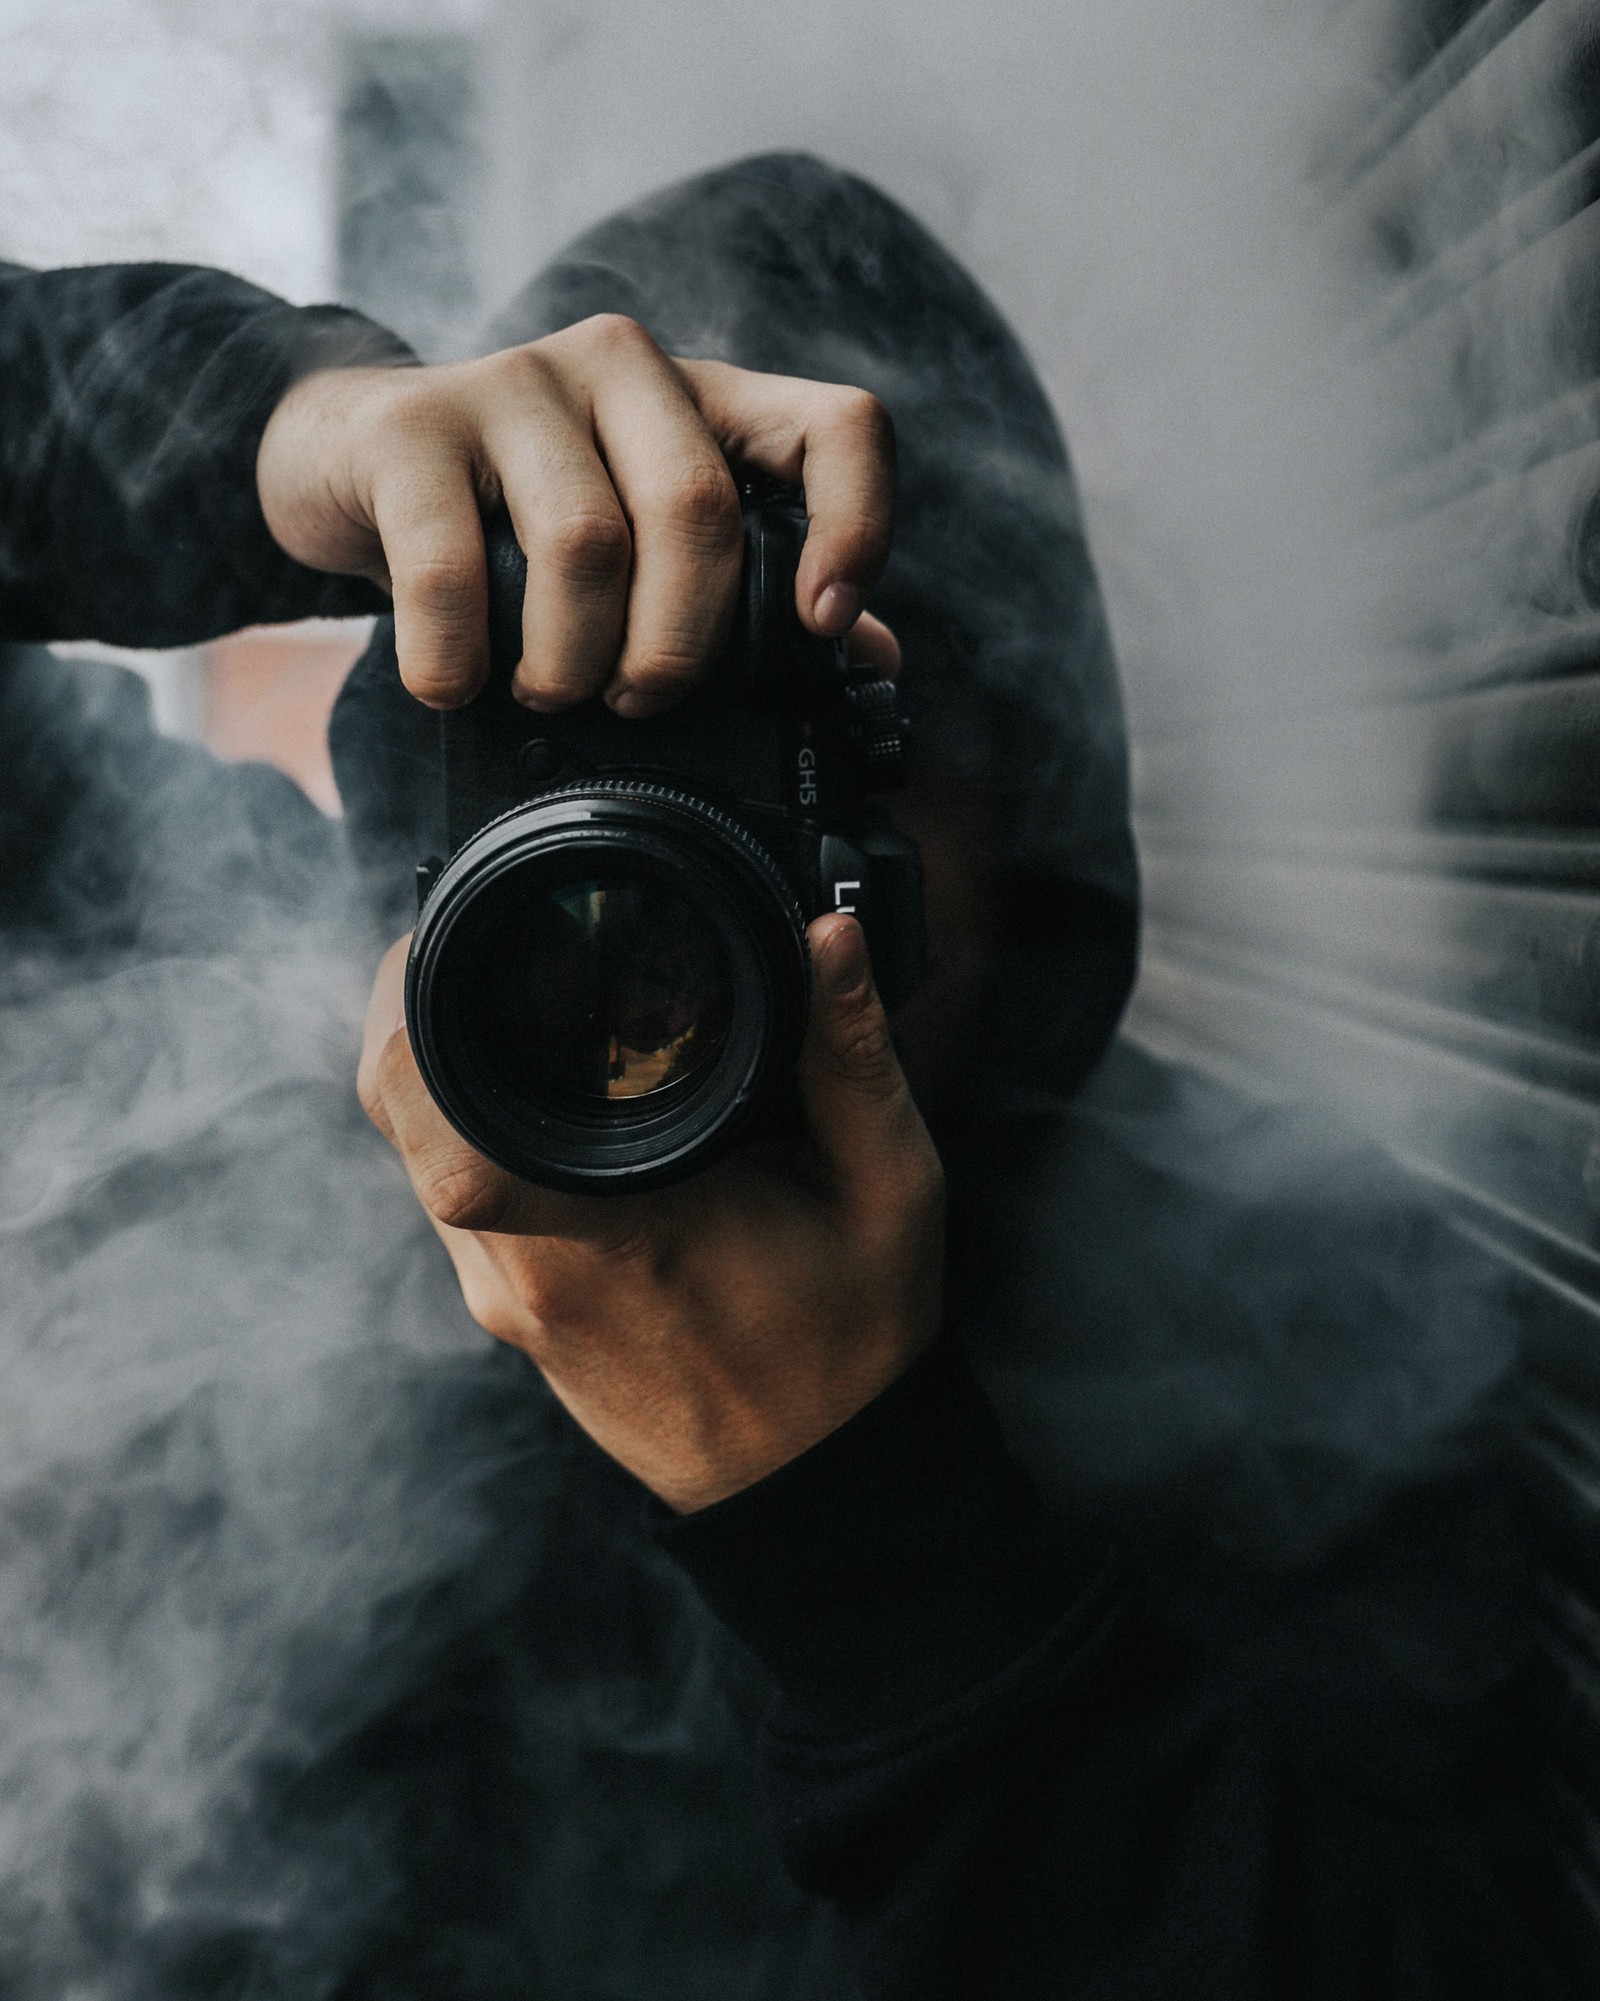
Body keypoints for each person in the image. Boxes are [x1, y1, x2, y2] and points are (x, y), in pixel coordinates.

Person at [2, 154, 1595, 1997]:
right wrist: (272, 425)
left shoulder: (1290, 1321)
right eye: (567, 767)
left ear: (1032, 810)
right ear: (418, 796)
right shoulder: (218, 1085)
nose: (671, 911)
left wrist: (874, 1532)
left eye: (797, 772)